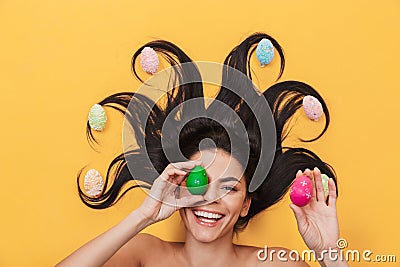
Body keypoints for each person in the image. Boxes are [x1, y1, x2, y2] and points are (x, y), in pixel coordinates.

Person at [57, 33, 349, 266]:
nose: (211, 198)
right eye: (200, 181)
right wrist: (144, 215)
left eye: (230, 189)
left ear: (246, 204)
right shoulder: (144, 254)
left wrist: (330, 254)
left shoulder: (275, 263)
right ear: (176, 187)